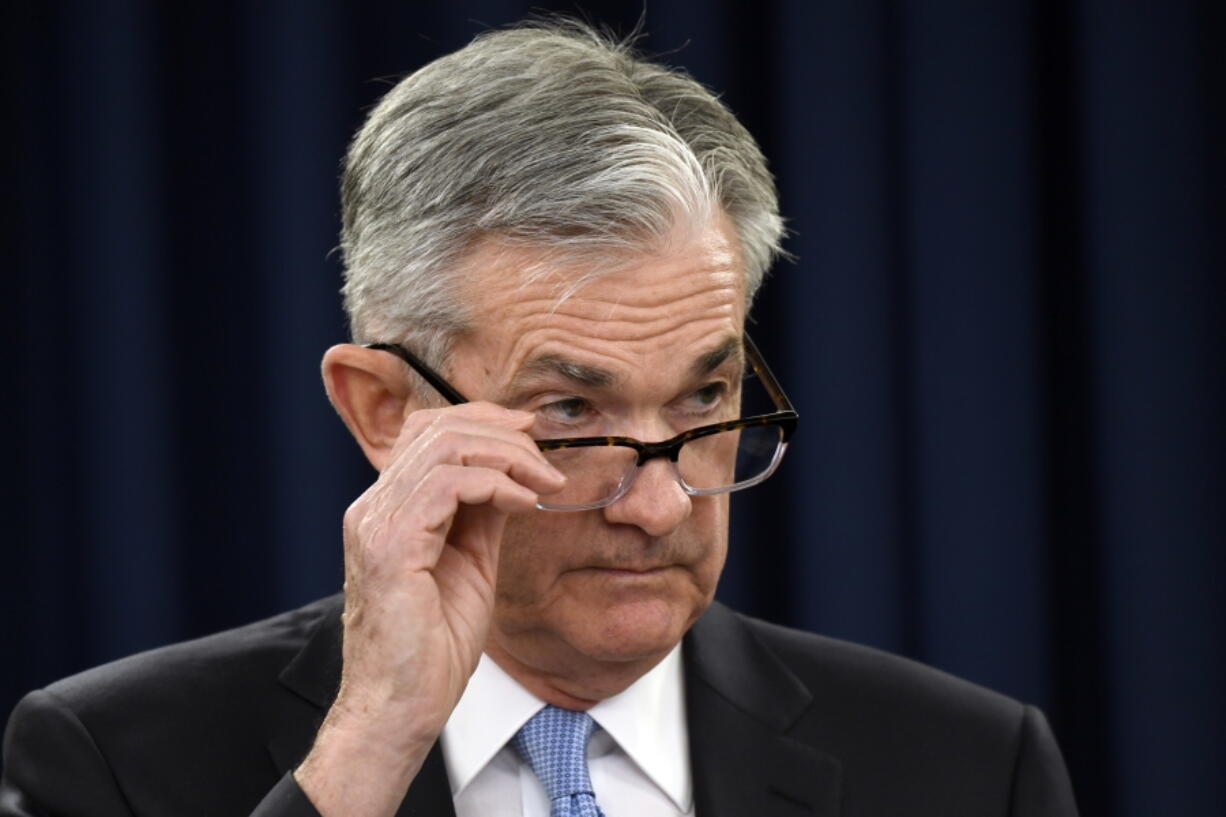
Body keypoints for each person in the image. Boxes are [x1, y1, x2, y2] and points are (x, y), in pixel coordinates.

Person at [0, 19, 1078, 817]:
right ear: (384, 409)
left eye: (704, 399)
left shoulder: (970, 769)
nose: (659, 505)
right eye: (570, 412)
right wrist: (365, 752)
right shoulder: (110, 763)